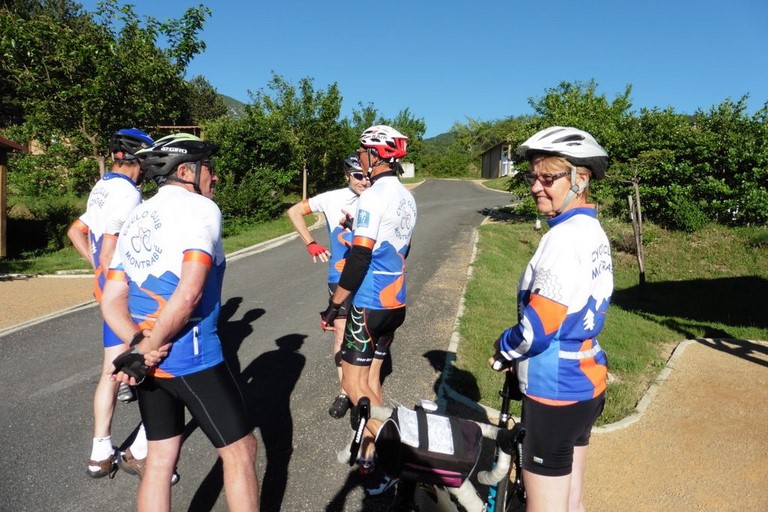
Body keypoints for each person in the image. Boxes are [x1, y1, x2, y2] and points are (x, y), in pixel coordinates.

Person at [102, 133, 259, 512]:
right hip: (191, 356)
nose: (214, 176)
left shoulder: (137, 215)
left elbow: (111, 297)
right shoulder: (200, 208)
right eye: (209, 168)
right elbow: (188, 294)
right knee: (240, 450)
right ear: (186, 171)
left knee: (159, 459)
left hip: (146, 361)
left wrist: (139, 345)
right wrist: (151, 345)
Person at [488, 126, 613, 512]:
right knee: (571, 500)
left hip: (553, 389)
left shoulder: (562, 240)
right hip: (586, 384)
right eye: (533, 177)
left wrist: (503, 349)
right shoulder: (592, 230)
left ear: (580, 179)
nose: (535, 187)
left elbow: (536, 331)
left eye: (548, 178)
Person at [321, 125, 417, 494]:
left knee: (351, 383)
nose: (360, 157)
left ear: (375, 155)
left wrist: (334, 305)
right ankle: (370, 453)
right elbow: (400, 246)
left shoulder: (373, 196)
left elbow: (359, 257)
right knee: (370, 384)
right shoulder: (406, 197)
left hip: (368, 302)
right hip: (396, 300)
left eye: (363, 151)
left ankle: (399, 458)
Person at [67, 128, 157, 480]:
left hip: (107, 288)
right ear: (138, 160)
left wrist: (98, 274)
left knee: (110, 370)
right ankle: (143, 449)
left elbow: (76, 231)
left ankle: (100, 452)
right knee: (151, 363)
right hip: (125, 292)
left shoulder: (102, 187)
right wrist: (111, 277)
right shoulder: (129, 194)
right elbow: (110, 249)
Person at [286, 155, 369, 419]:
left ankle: (364, 390)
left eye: (367, 175)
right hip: (340, 274)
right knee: (341, 334)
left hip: (370, 275)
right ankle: (345, 391)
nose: (364, 181)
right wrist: (310, 242)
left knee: (367, 333)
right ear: (347, 176)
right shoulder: (332, 198)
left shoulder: (377, 198)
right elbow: (294, 211)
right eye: (358, 176)